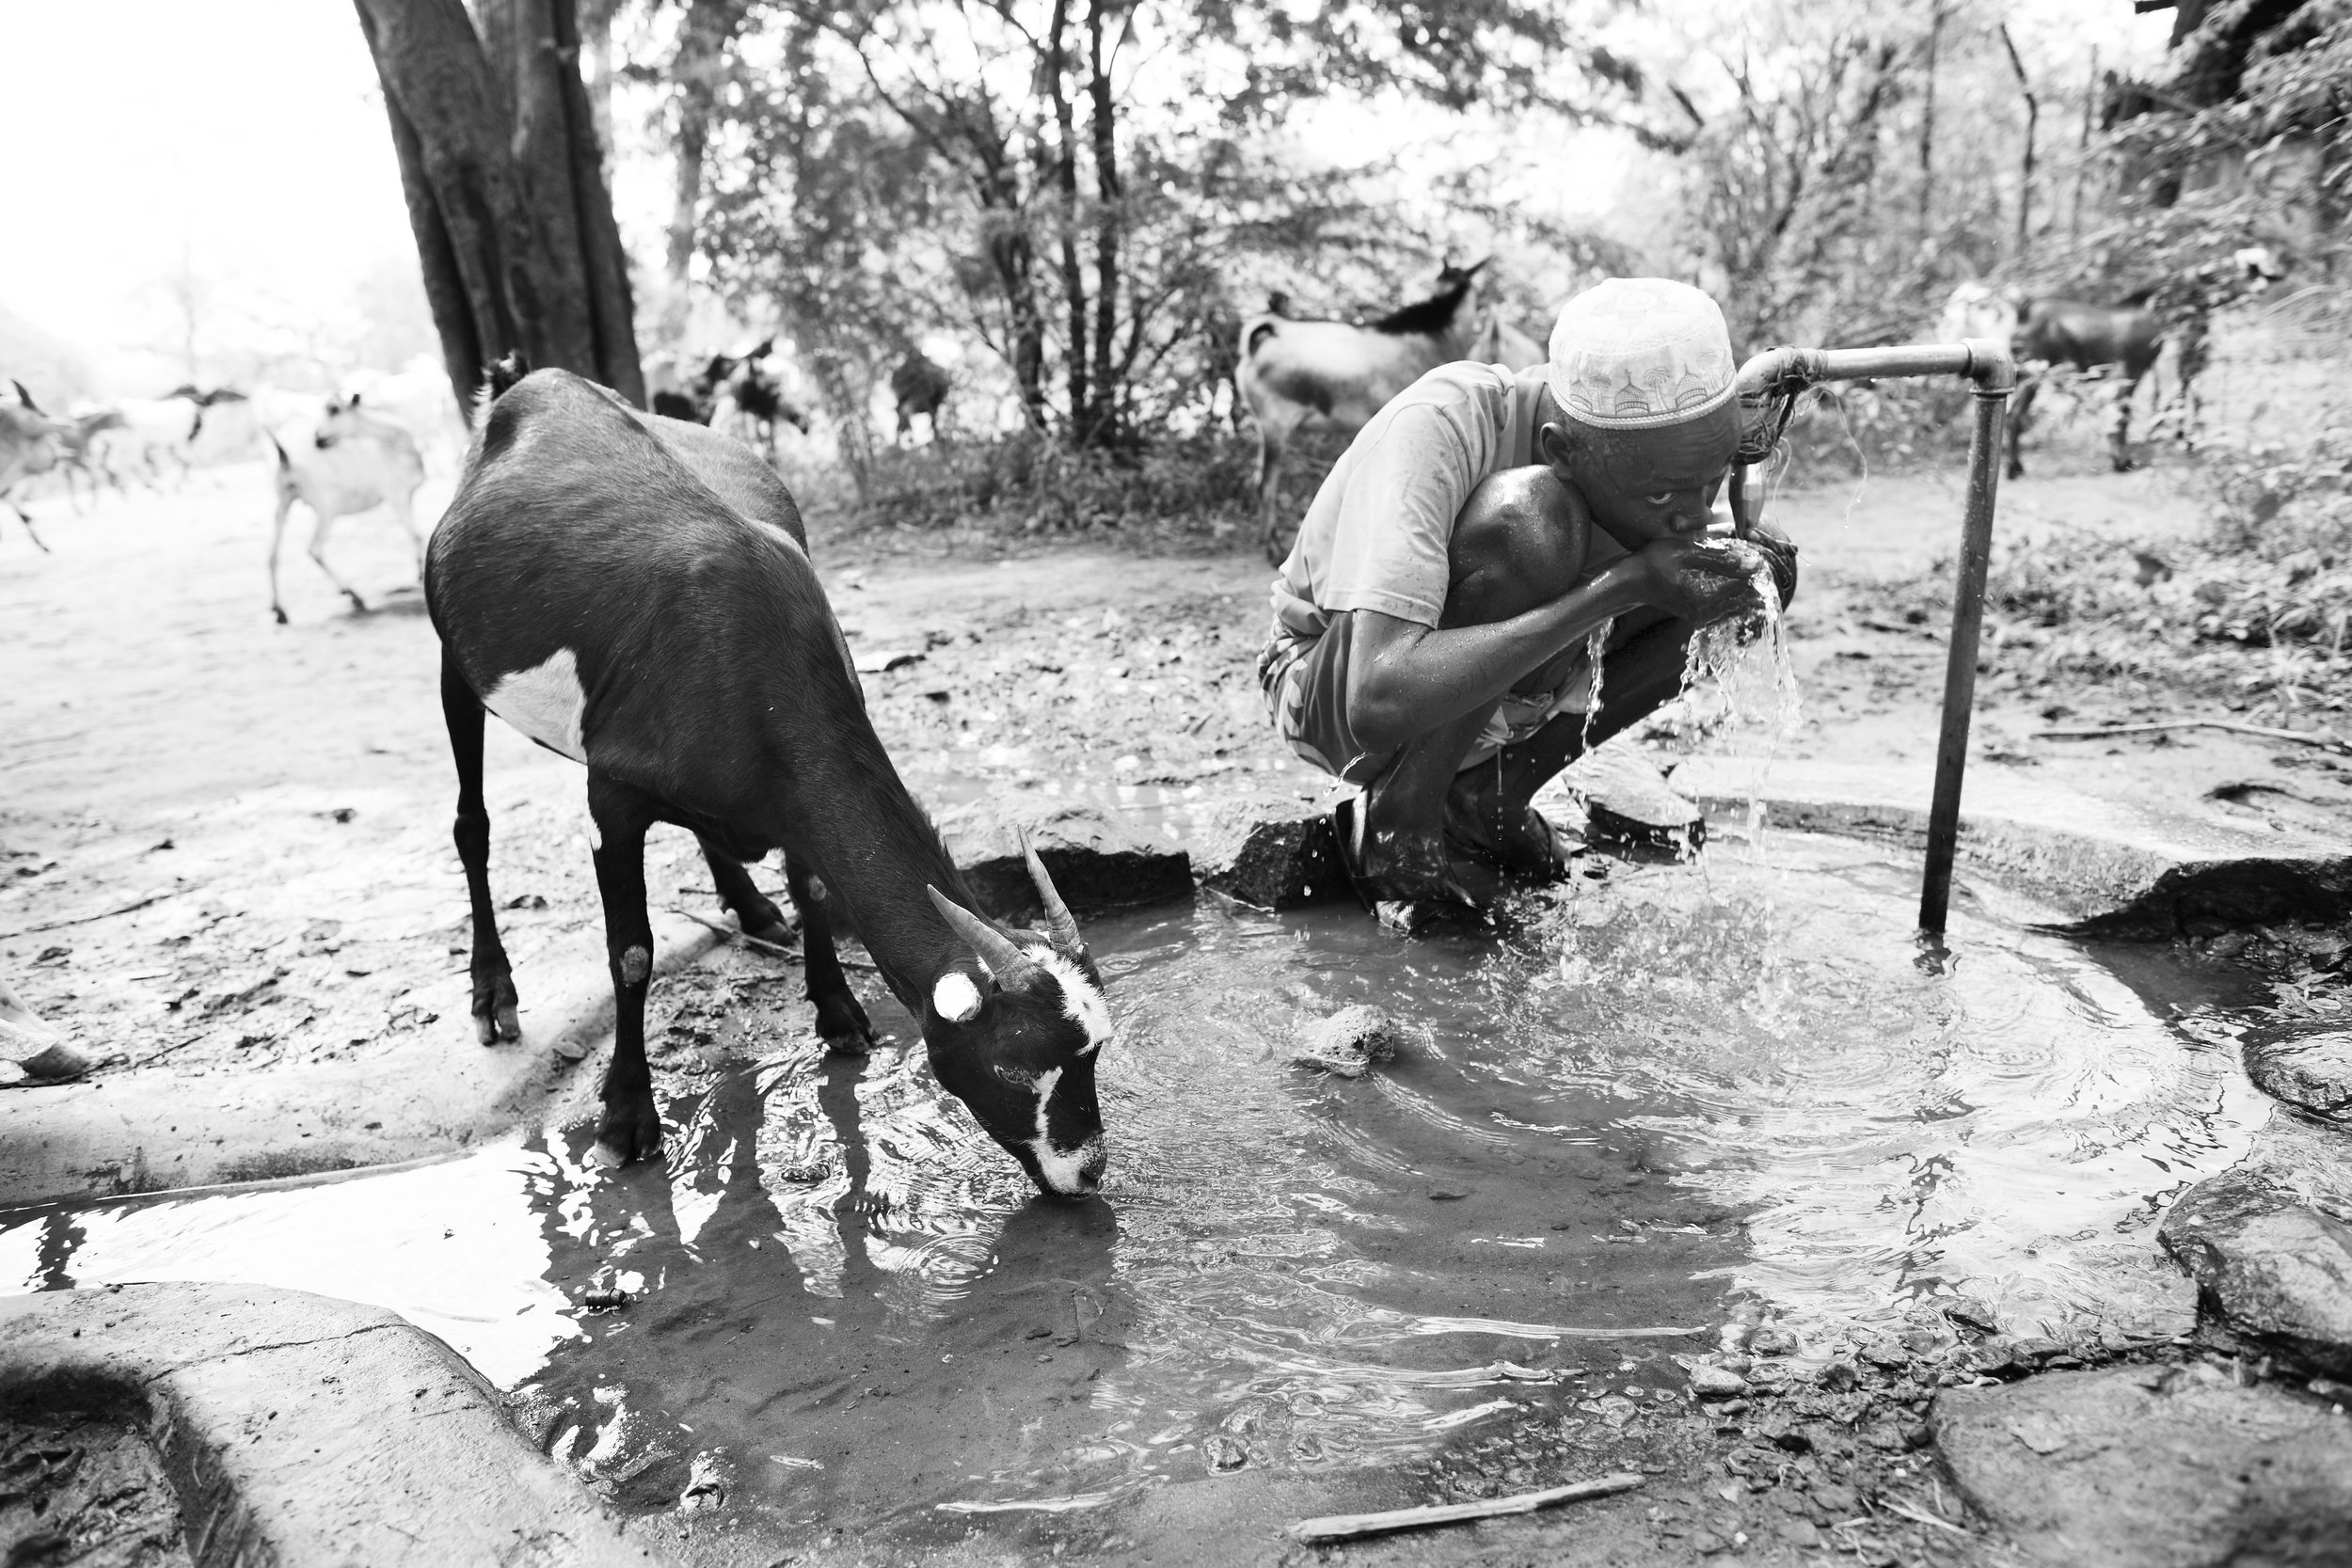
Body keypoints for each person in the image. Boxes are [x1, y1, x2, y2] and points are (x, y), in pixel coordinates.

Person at [1257, 277, 1797, 914]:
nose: (1688, 516)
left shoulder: (1634, 447)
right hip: (1333, 690)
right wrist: (1618, 587)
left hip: (1493, 689)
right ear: (1561, 450)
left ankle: (1491, 794)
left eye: (1707, 483)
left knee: (1757, 574)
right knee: (1533, 522)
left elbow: (1697, 519)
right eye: (1659, 496)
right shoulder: (1440, 425)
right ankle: (1399, 819)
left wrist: (1715, 546)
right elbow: (1376, 699)